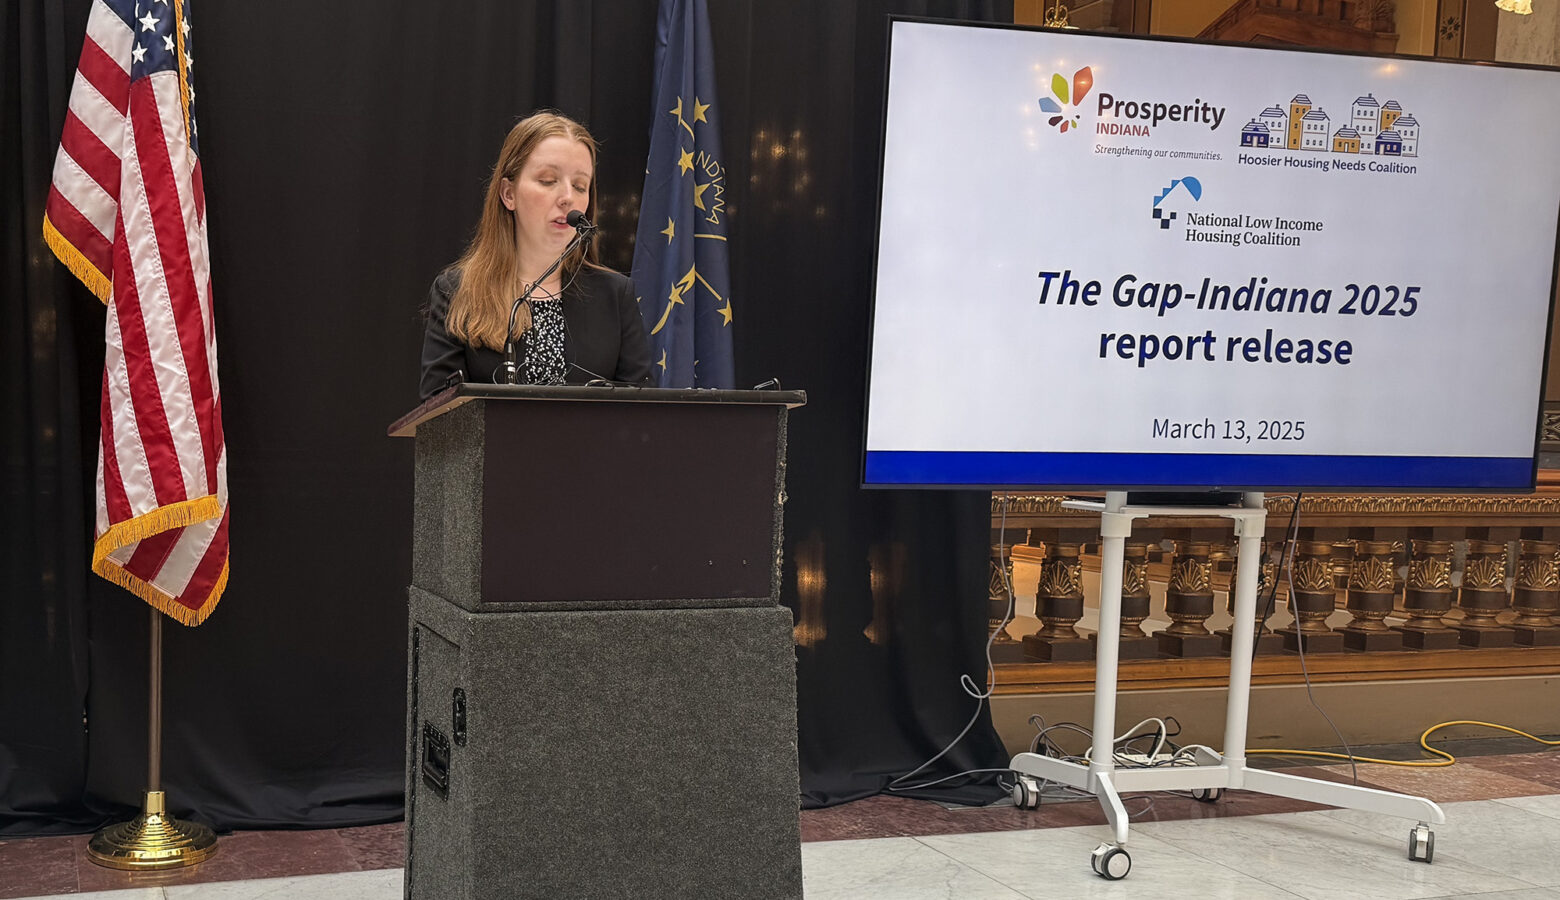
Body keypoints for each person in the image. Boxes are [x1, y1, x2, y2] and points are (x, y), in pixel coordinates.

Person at [419, 112, 652, 399]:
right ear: (508, 194)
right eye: (548, 180)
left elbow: (642, 412)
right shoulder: (456, 291)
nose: (568, 196)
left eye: (580, 186)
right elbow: (440, 415)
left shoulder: (615, 294)